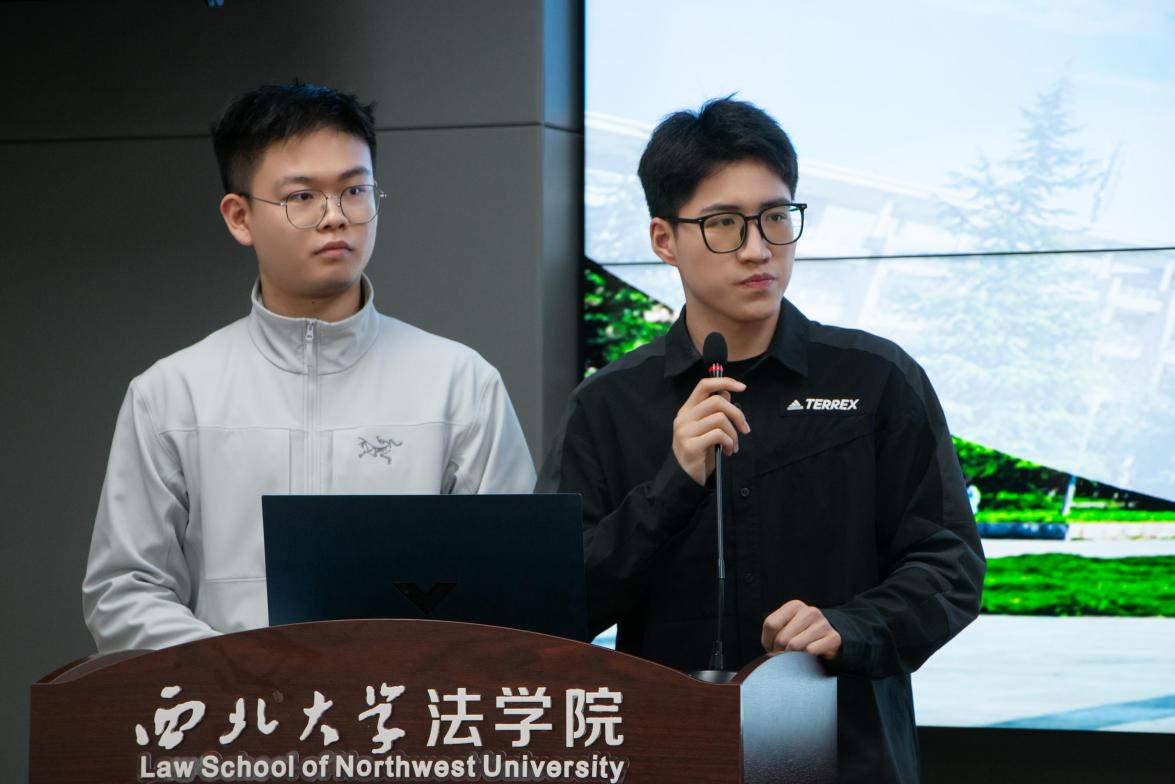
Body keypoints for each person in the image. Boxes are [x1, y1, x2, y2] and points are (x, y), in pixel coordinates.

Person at [537, 98, 984, 783]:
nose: (757, 248)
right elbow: (556, 604)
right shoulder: (608, 404)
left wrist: (850, 626)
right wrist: (672, 484)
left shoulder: (876, 378)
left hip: (849, 754)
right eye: (723, 223)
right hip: (671, 754)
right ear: (663, 239)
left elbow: (950, 565)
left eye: (776, 217)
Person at [83, 84, 535, 653]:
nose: (335, 217)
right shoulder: (172, 394)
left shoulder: (461, 385)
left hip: (405, 705)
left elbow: (515, 590)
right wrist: (248, 672)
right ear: (240, 217)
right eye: (302, 197)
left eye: (355, 191)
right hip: (234, 706)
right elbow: (124, 593)